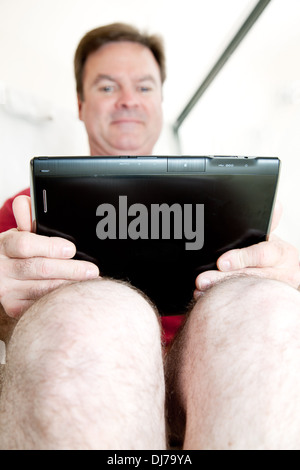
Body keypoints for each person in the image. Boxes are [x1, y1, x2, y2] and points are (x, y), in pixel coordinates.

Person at [0, 22, 299, 450]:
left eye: (144, 87)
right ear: (81, 105)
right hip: (86, 365)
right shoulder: (23, 210)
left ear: (160, 101)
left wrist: (287, 279)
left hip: (205, 366)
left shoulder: (227, 198)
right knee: (97, 316)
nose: (127, 100)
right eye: (106, 88)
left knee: (268, 309)